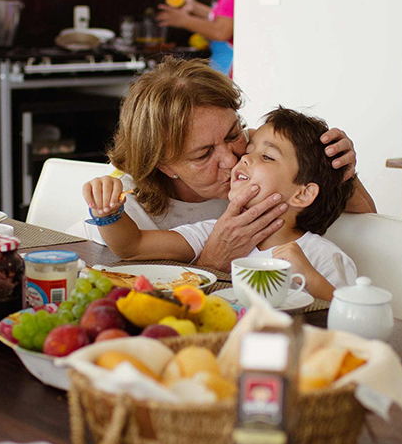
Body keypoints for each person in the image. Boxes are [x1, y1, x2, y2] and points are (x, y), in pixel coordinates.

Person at [78, 58, 376, 272]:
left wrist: (339, 168)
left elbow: (370, 223)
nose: (234, 159)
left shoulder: (259, 157)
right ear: (164, 166)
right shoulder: (129, 204)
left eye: (234, 134)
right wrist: (212, 262)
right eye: (203, 154)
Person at [85, 107, 357, 301]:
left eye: (267, 157)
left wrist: (309, 277)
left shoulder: (318, 255)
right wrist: (108, 213)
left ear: (302, 194)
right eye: (249, 152)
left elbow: (352, 323)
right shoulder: (212, 232)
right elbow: (131, 246)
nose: (239, 160)